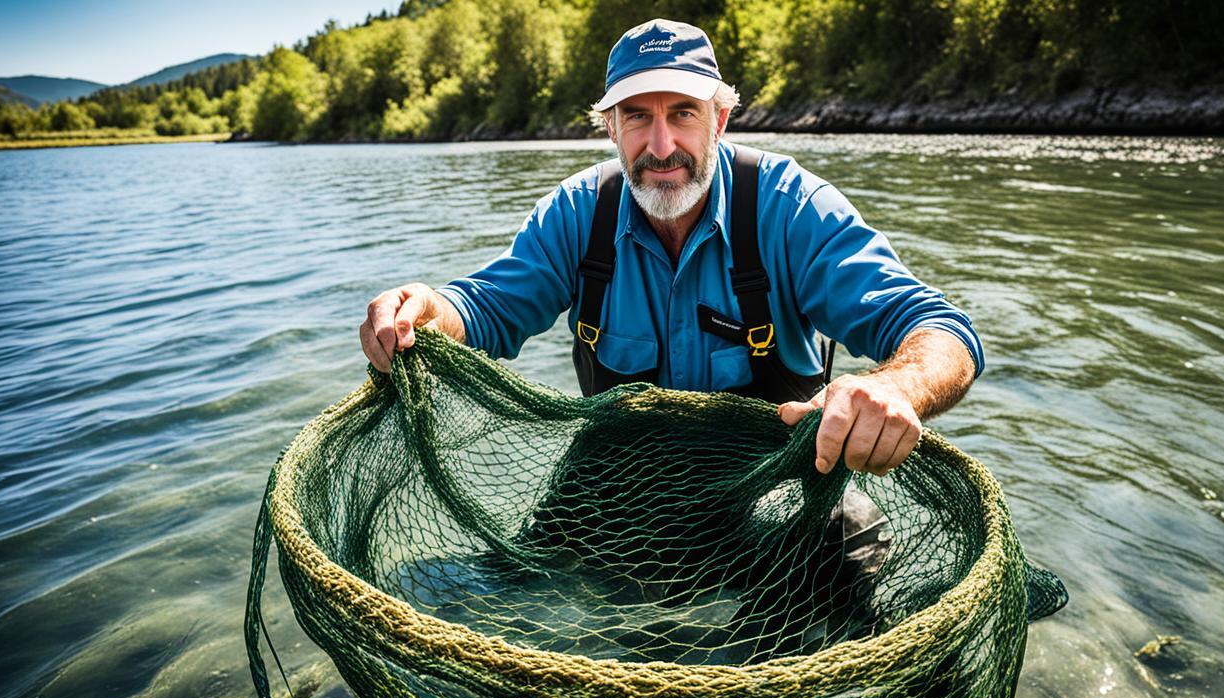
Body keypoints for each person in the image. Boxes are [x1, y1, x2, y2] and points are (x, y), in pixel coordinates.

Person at [361, 18, 983, 478]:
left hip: (778, 482)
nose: (661, 147)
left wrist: (896, 388)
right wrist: (426, 311)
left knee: (853, 591)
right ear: (610, 127)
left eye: (683, 113)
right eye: (637, 116)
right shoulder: (577, 213)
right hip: (618, 483)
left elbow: (941, 331)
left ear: (720, 120)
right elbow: (485, 310)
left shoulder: (792, 206)